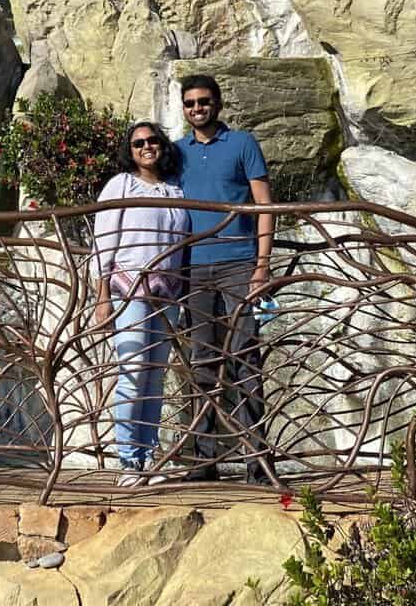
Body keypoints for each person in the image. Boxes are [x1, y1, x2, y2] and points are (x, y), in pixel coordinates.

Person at [174, 74, 279, 485]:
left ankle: (259, 463)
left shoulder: (242, 144)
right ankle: (203, 462)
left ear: (217, 103)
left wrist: (262, 265)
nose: (197, 108)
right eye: (190, 103)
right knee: (201, 363)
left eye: (203, 101)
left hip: (238, 264)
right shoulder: (176, 152)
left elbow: (264, 205)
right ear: (184, 109)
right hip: (193, 268)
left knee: (245, 360)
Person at [89, 120, 189, 487]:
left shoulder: (174, 191)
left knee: (154, 378)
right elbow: (104, 241)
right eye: (138, 143)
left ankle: (146, 458)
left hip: (168, 292)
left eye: (152, 141)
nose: (146, 147)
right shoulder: (121, 185)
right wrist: (101, 296)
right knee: (132, 373)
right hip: (127, 289)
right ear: (129, 151)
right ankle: (128, 461)